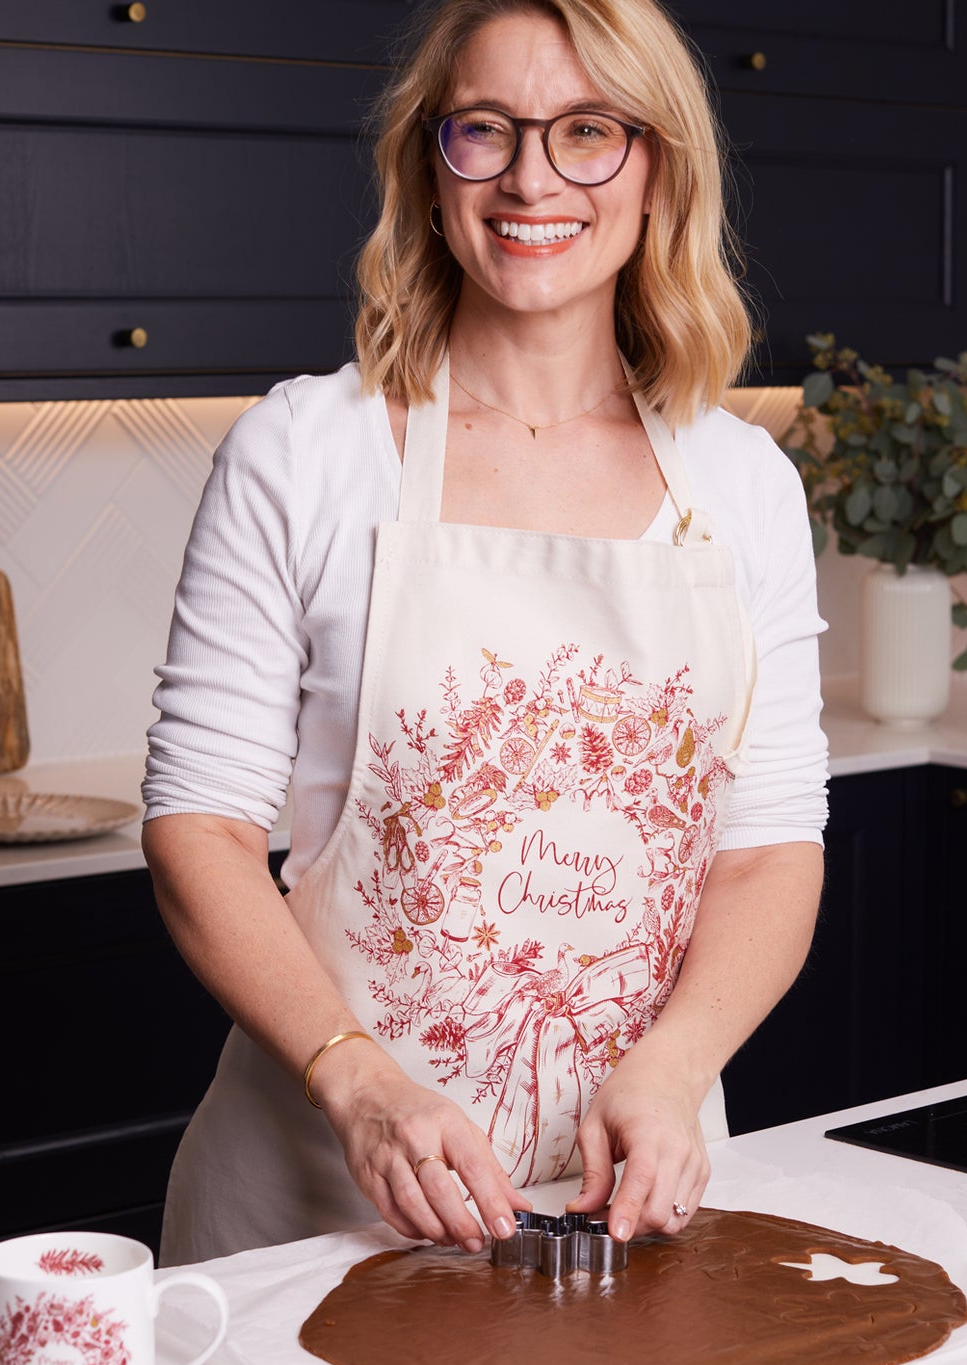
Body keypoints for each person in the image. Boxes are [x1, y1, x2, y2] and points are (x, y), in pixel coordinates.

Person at [142, 0, 828, 1268]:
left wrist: (673, 1071)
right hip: (312, 1207)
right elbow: (200, 829)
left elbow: (768, 852)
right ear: (428, 161)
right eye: (485, 131)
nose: (530, 179)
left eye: (586, 132)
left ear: (656, 165)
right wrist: (355, 1078)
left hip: (628, 1200)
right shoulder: (307, 453)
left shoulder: (740, 487)